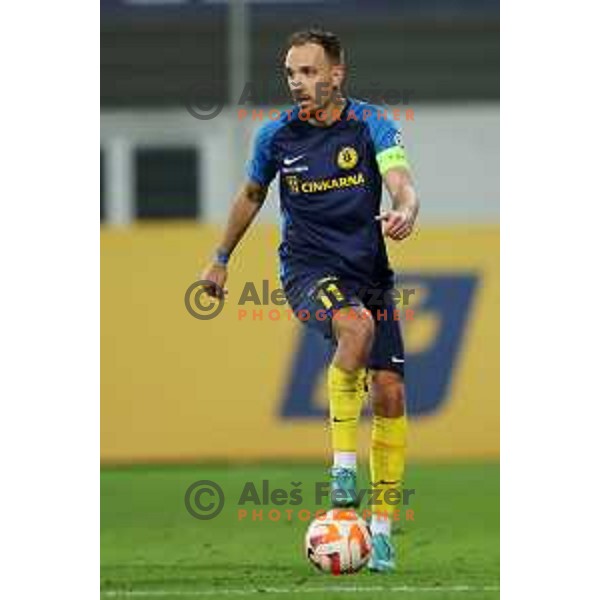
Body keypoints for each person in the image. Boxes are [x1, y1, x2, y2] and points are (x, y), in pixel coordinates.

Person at [200, 28, 419, 572]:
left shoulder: (370, 123)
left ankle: (383, 532)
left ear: (336, 74)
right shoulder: (275, 137)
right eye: (291, 73)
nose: (298, 82)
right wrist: (221, 259)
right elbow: (252, 195)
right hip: (307, 270)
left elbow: (398, 175)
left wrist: (407, 206)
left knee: (390, 394)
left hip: (369, 271)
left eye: (310, 71)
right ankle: (342, 472)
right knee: (355, 329)